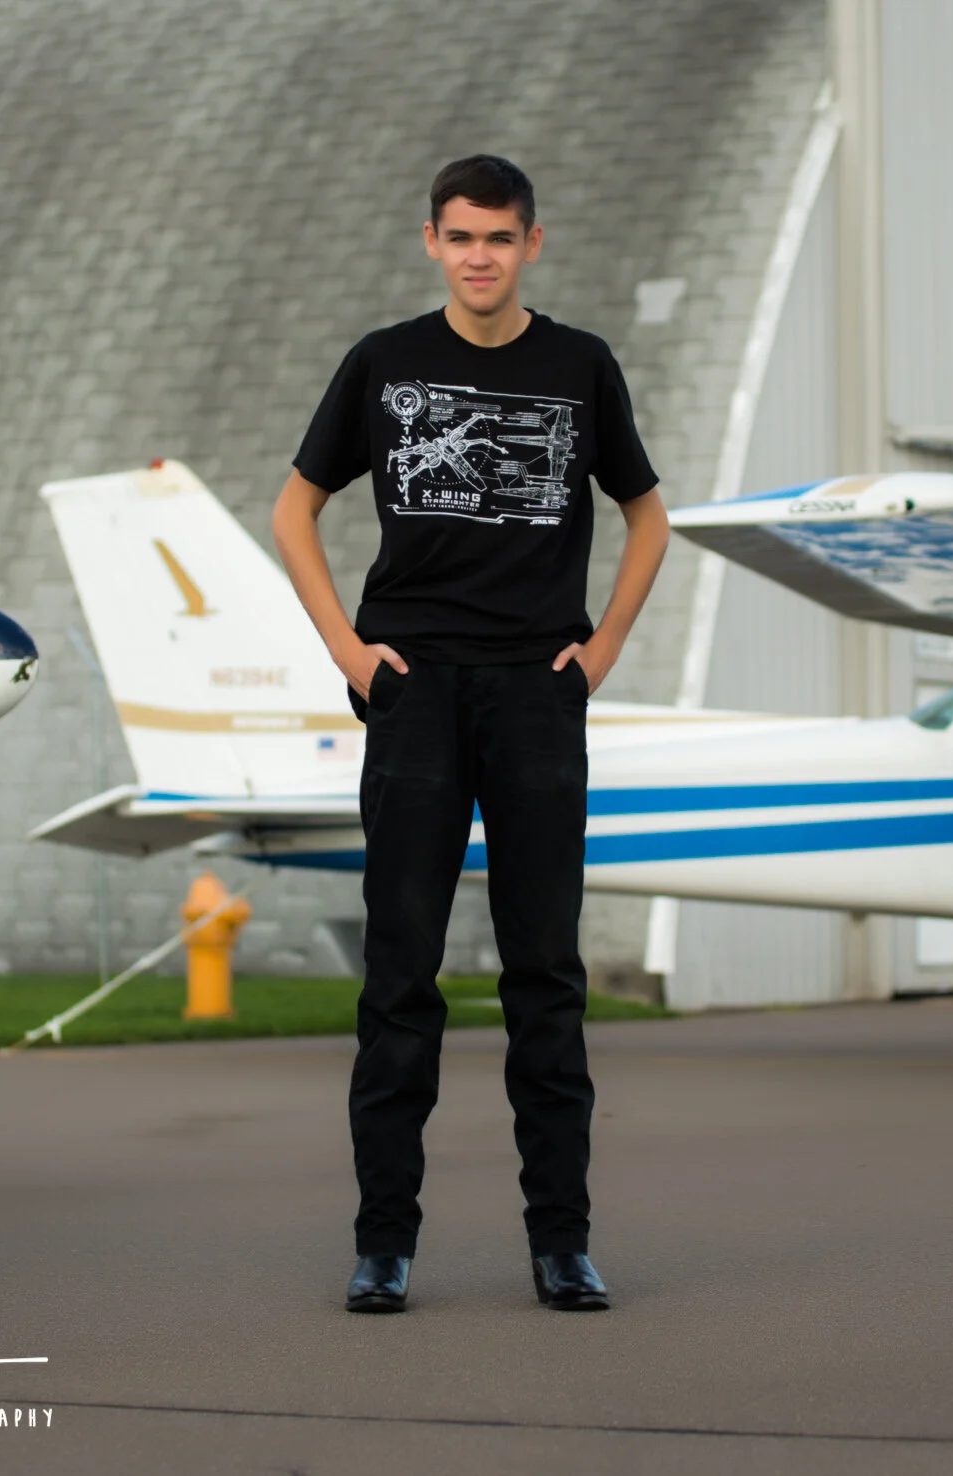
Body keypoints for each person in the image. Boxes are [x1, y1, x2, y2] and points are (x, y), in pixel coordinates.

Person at [272, 154, 670, 1314]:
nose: (478, 257)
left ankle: (561, 1243)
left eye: (498, 237)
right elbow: (295, 507)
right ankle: (382, 1244)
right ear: (431, 243)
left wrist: (599, 651)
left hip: (536, 693)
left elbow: (646, 514)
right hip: (415, 692)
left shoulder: (578, 366)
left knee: (543, 976)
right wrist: (348, 652)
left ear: (530, 243)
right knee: (400, 975)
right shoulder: (383, 362)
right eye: (459, 237)